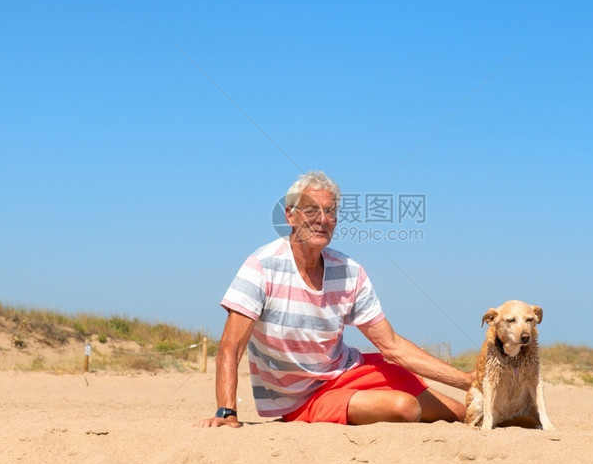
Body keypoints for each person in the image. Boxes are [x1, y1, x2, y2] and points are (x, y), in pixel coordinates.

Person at [196, 171, 472, 428]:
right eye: (312, 210)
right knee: (405, 407)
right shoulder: (261, 267)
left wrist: (468, 381)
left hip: (351, 372)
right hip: (303, 399)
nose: (322, 219)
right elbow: (231, 346)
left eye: (330, 212)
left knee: (461, 413)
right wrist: (227, 411)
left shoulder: (349, 271)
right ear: (290, 216)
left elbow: (392, 346)